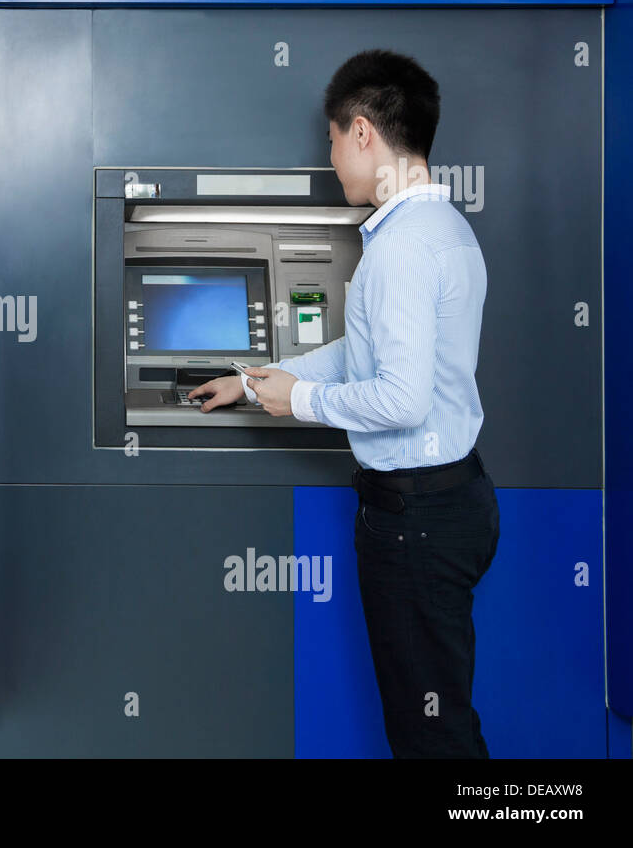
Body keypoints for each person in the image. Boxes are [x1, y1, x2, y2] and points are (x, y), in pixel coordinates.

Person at [192, 49, 499, 758]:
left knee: (431, 733)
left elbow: (401, 396)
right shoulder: (444, 231)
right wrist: (257, 377)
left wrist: (301, 400)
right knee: (439, 714)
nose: (329, 158)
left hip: (414, 520)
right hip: (453, 501)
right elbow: (369, 358)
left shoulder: (398, 249)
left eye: (331, 138)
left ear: (363, 132)